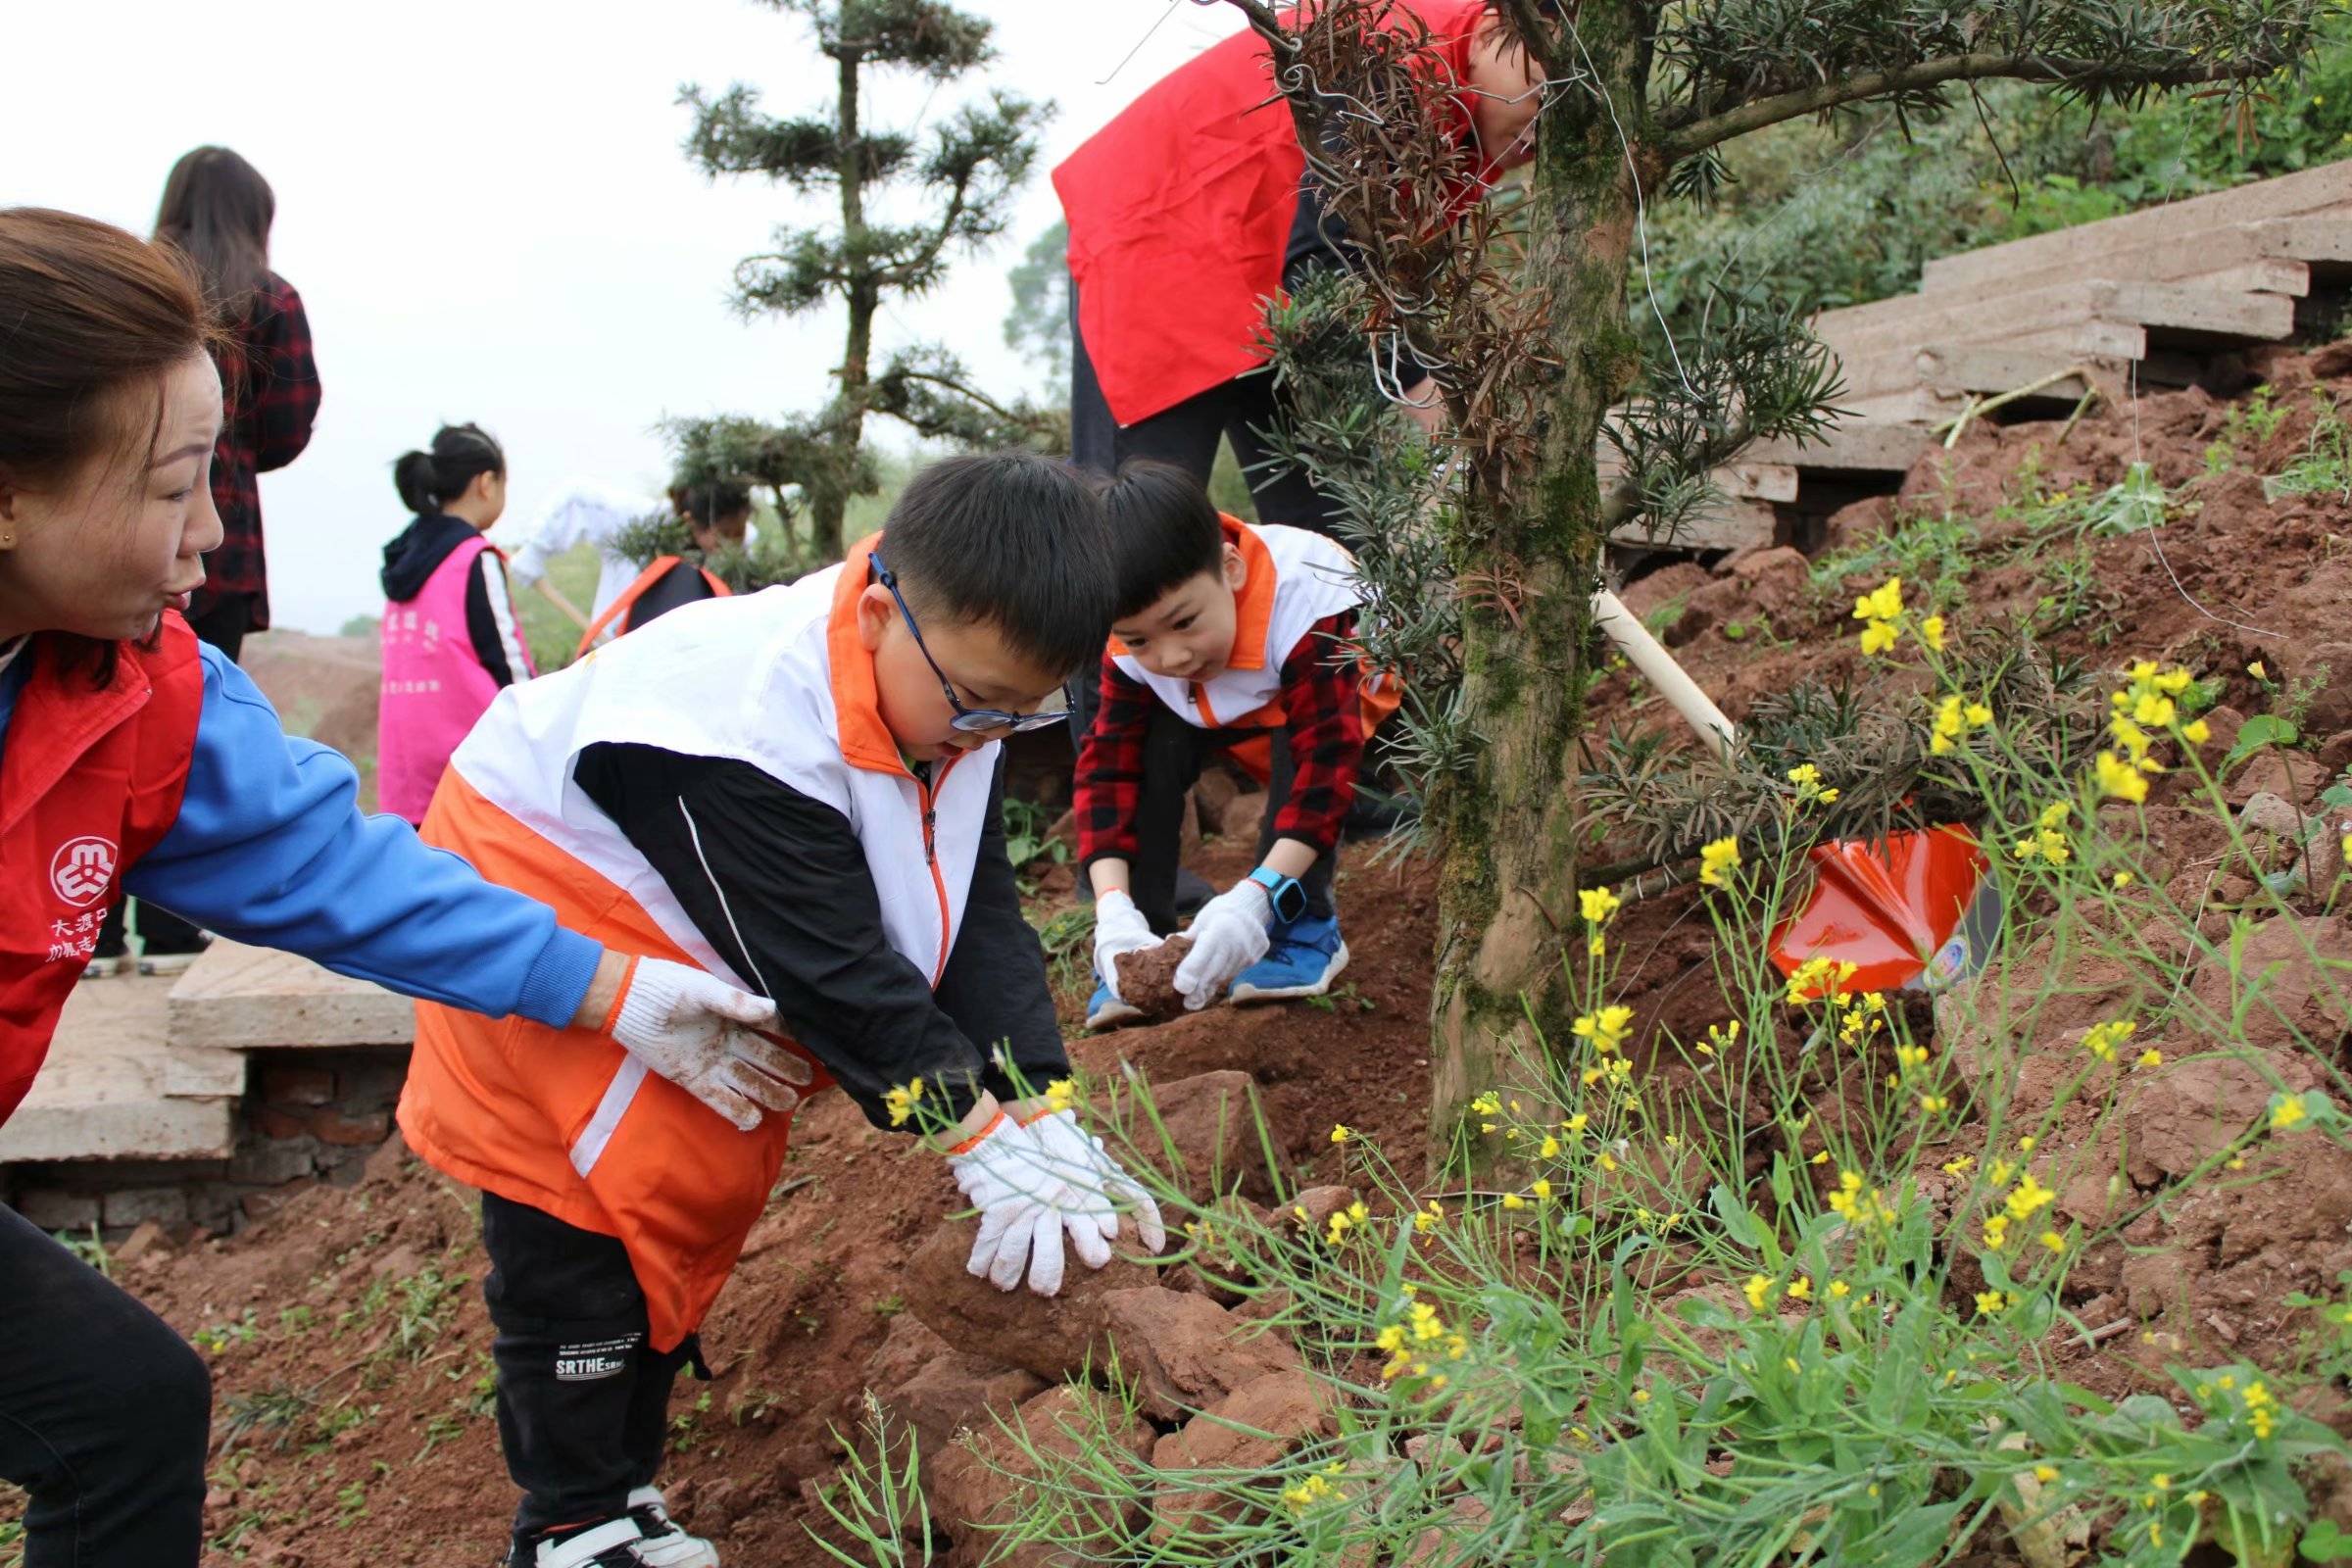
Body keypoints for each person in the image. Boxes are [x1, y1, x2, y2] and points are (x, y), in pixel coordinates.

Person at [0, 207, 794, 1568]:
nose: (209, 536)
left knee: (126, 1410)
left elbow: (346, 876)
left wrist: (615, 989)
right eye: (170, 485)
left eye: (218, 477)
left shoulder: (136, 691)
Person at [395, 451, 1166, 1568]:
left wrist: (1041, 1102)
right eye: (974, 705)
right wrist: (978, 1134)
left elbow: (973, 907)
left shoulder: (955, 698)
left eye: (1021, 714)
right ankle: (567, 1524)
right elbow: (834, 973)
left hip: (690, 914)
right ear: (878, 614)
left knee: (695, 1172)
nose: (986, 734)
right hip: (541, 897)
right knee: (586, 1199)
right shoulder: (745, 725)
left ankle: (619, 1494)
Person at [1051, 0, 1540, 748]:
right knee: (1125, 547)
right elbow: (1330, 255)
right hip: (1167, 233)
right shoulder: (1401, 45)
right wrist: (1430, 396)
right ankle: (1122, 850)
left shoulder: (1465, 112)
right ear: (1513, 22)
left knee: (1325, 547)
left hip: (1271, 269)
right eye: (1548, 93)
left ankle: (1340, 786)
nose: (1541, 138)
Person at [89, 147, 322, 976]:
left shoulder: (135, 286)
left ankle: (93, 928)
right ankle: (180, 927)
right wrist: (233, 444)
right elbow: (291, 426)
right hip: (222, 544)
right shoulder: (270, 297)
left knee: (93, 714)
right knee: (188, 732)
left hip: (113, 544)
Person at [1076, 462, 1396, 1029]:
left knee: (1300, 757)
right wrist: (1111, 910)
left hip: (1346, 708)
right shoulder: (1127, 641)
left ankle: (1304, 928)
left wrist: (1258, 895)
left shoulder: (1308, 597)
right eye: (1140, 639)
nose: (1171, 655)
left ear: (1231, 569)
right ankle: (1137, 951)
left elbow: (1325, 767)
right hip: (1222, 708)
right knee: (1141, 748)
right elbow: (1107, 772)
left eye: (1185, 622)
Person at [377, 423, 536, 825]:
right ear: (486, 483)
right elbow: (507, 661)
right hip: (474, 769)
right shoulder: (474, 557)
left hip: (407, 774)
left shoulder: (403, 560)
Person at [567, 479, 751, 656]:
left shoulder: (739, 556)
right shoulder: (643, 527)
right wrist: (537, 555)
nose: (732, 544)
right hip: (622, 645)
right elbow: (577, 495)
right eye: (724, 534)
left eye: (739, 533)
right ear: (691, 522)